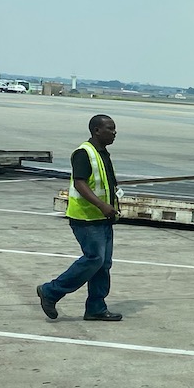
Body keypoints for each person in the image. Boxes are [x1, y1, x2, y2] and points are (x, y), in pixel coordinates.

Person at [37, 115, 122, 322]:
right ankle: (51, 291)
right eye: (110, 129)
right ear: (96, 131)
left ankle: (96, 307)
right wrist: (102, 205)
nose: (114, 133)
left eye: (114, 129)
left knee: (104, 264)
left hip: (102, 218)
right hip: (86, 218)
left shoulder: (103, 153)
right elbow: (80, 183)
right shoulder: (84, 153)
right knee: (94, 259)